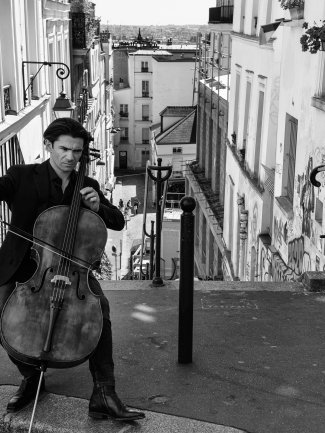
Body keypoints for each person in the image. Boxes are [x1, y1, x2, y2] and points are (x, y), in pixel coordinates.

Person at [0, 118, 145, 421]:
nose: (71, 157)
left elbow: (116, 220)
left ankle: (104, 393)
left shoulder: (87, 186)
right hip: (20, 264)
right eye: (64, 149)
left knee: (99, 310)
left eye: (77, 152)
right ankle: (31, 377)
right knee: (1, 321)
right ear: (49, 146)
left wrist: (97, 208)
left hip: (70, 268)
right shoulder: (22, 177)